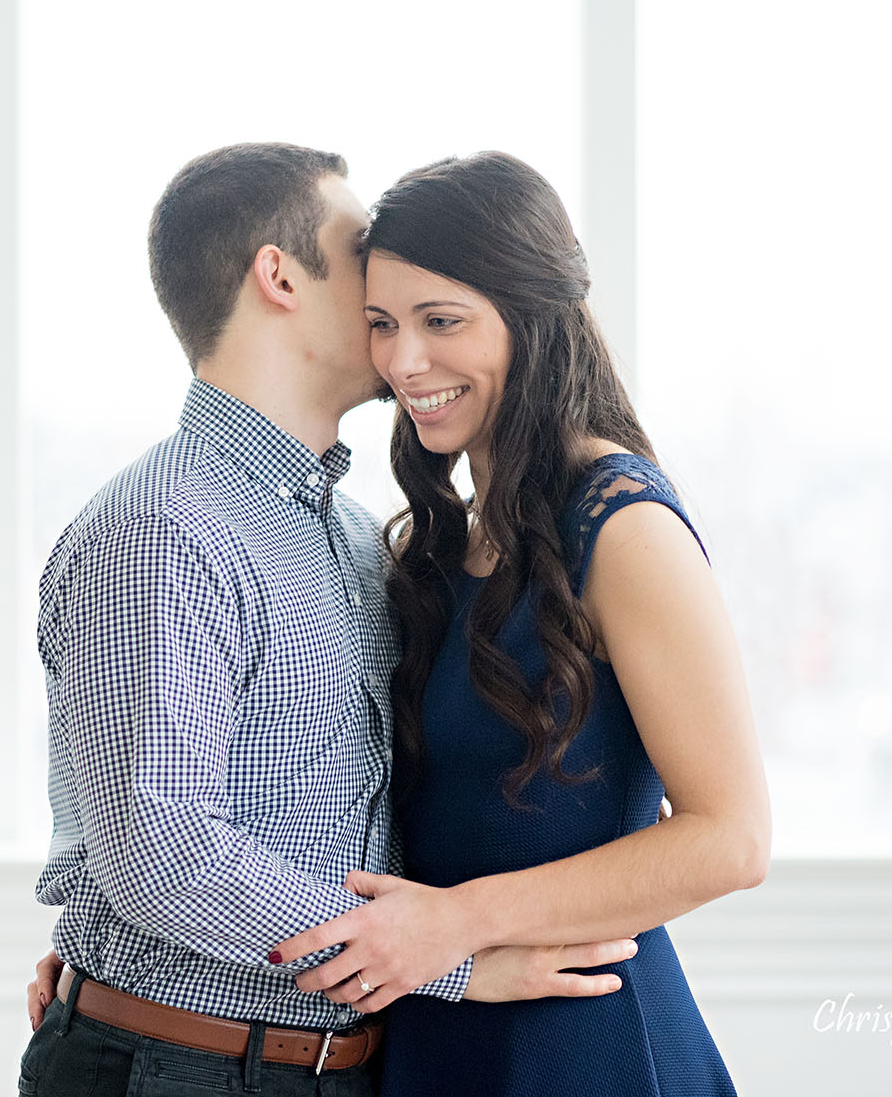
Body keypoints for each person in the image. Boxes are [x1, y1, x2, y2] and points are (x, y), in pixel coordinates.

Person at [16, 143, 640, 1097]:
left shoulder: (354, 538)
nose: (389, 280)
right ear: (279, 276)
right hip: (186, 1068)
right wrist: (458, 961)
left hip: (336, 1067)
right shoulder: (159, 532)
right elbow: (162, 853)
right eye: (362, 258)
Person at [269, 151, 771, 1094]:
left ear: (532, 316)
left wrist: (455, 921)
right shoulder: (435, 541)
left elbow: (731, 838)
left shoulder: (623, 526)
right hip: (439, 1028)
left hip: (583, 1047)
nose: (403, 361)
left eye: (441, 320)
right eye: (382, 324)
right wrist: (120, 964)